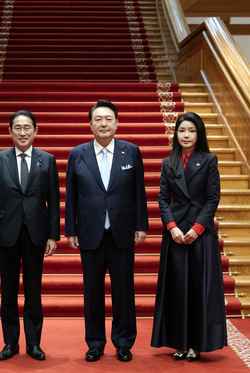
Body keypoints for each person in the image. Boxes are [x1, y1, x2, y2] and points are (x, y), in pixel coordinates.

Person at [65, 100, 149, 362]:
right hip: (90, 231)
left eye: (109, 119)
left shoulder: (131, 151)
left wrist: (141, 225)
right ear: (90, 124)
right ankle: (95, 342)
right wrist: (70, 229)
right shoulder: (77, 153)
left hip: (122, 231)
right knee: (92, 291)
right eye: (98, 119)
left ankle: (123, 341)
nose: (104, 123)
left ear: (117, 122)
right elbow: (71, 196)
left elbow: (139, 192)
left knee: (124, 290)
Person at [151, 112, 227, 362]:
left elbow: (212, 198)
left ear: (198, 134)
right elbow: (163, 199)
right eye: (182, 130)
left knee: (197, 289)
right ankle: (178, 342)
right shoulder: (168, 162)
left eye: (191, 131)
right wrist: (171, 226)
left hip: (200, 233)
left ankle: (196, 344)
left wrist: (197, 228)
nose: (186, 135)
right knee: (176, 290)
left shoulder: (209, 160)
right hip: (175, 233)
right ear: (176, 134)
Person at [0, 110, 60, 361]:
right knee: (8, 291)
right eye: (17, 127)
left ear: (36, 131)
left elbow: (53, 199)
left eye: (27, 127)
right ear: (10, 131)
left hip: (36, 234)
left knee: (33, 291)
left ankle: (34, 343)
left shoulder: (46, 160)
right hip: (6, 234)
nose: (22, 132)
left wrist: (53, 236)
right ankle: (10, 343)